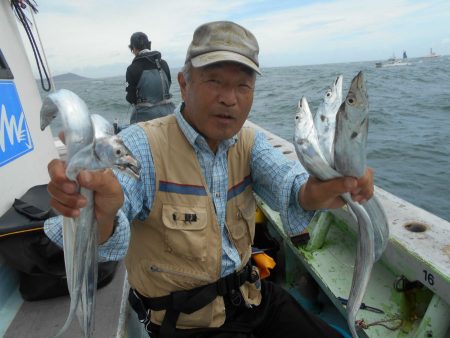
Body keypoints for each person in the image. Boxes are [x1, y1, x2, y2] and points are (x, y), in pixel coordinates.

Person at [45, 21, 375, 338]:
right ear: (184, 84)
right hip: (186, 325)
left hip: (251, 298)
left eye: (243, 85)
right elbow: (98, 230)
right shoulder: (140, 146)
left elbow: (293, 186)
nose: (229, 98)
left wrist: (322, 189)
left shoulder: (249, 142)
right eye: (214, 81)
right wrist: (96, 213)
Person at [126, 31, 175, 124]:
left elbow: (130, 98)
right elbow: (168, 84)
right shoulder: (163, 63)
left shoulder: (132, 69)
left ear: (133, 48)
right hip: (169, 115)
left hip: (145, 119)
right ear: (149, 45)